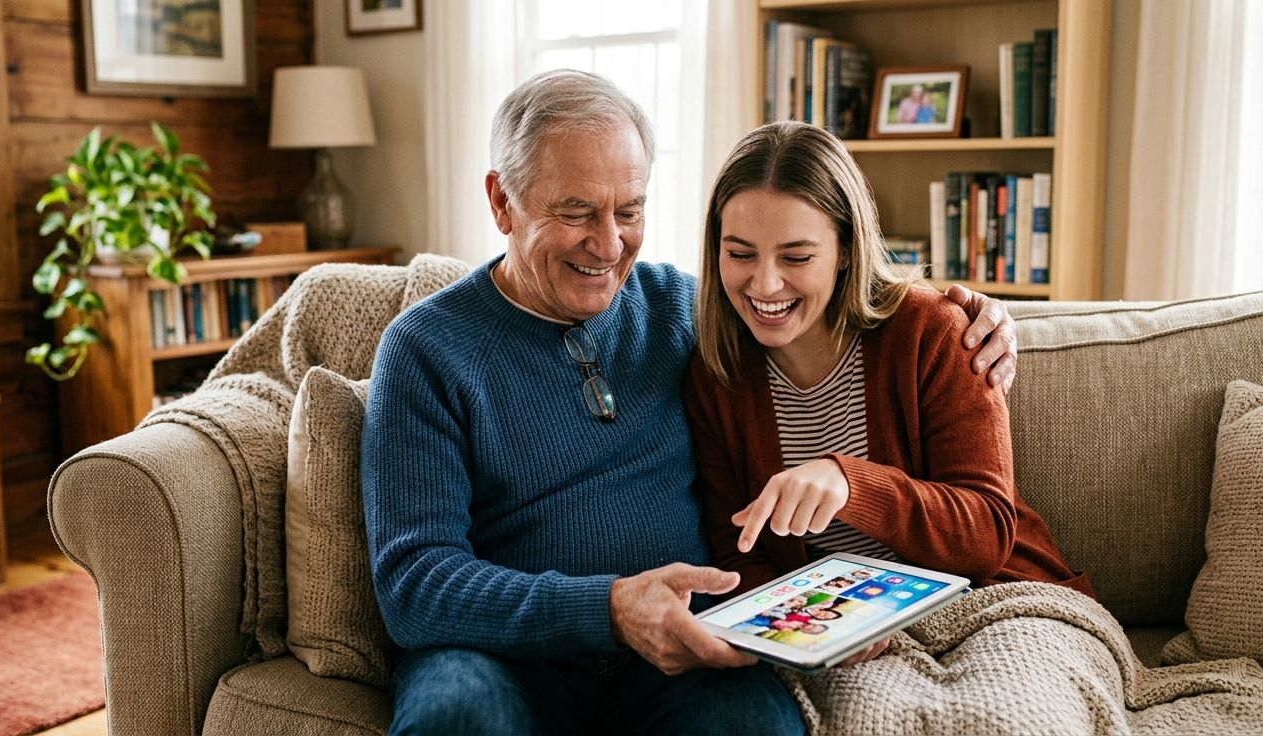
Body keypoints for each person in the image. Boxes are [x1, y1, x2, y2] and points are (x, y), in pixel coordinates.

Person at [362, 71, 1019, 734]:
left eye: (630, 211)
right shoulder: (426, 349)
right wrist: (611, 609)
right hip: (502, 654)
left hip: (685, 646)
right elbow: (415, 584)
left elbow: (807, 301)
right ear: (501, 201)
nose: (610, 243)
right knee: (455, 719)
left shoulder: (688, 311)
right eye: (576, 212)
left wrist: (983, 315)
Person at [682, 121, 1093, 669]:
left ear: (847, 250)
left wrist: (851, 484)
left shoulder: (935, 333)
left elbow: (986, 534)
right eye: (739, 254)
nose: (764, 285)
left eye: (797, 258)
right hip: (836, 630)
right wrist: (806, 626)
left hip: (995, 600)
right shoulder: (716, 375)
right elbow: (739, 553)